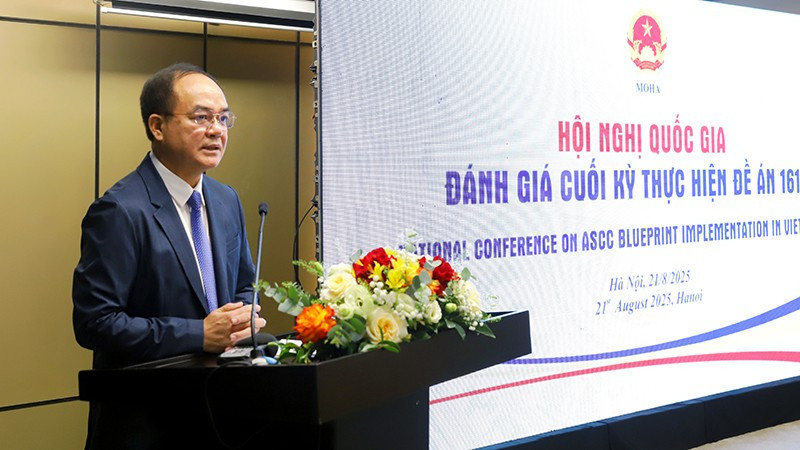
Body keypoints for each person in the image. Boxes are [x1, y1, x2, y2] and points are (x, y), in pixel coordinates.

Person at [72, 63, 266, 448]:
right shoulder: (120, 210)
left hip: (218, 415)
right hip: (146, 424)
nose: (217, 130)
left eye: (223, 118)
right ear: (157, 126)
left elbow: (244, 284)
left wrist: (243, 318)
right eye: (201, 117)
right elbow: (96, 323)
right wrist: (200, 334)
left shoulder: (225, 200)